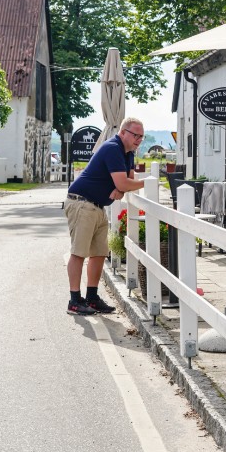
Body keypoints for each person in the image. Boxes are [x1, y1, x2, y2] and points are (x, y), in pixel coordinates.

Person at [64, 117, 146, 315]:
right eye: (135, 135)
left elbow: (127, 181)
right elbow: (126, 183)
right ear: (123, 132)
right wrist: (146, 182)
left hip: (98, 206)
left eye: (142, 137)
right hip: (82, 203)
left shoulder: (128, 153)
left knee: (100, 253)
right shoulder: (112, 148)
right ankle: (74, 301)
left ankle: (91, 298)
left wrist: (122, 188)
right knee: (79, 252)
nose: (139, 140)